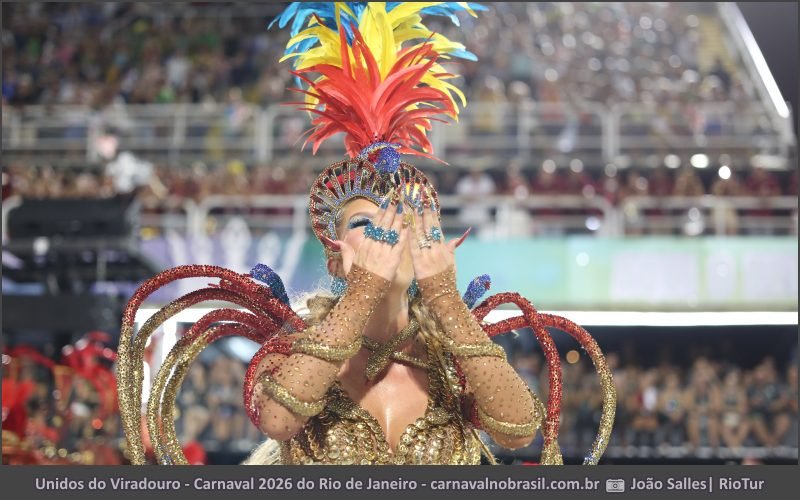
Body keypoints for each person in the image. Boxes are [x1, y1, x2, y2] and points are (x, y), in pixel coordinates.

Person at [116, 2, 615, 466]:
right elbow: (279, 417)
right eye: (363, 223)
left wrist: (444, 296)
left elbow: (519, 429)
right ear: (333, 259)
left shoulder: (452, 358)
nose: (388, 231)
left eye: (405, 218)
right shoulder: (294, 348)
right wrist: (362, 294)